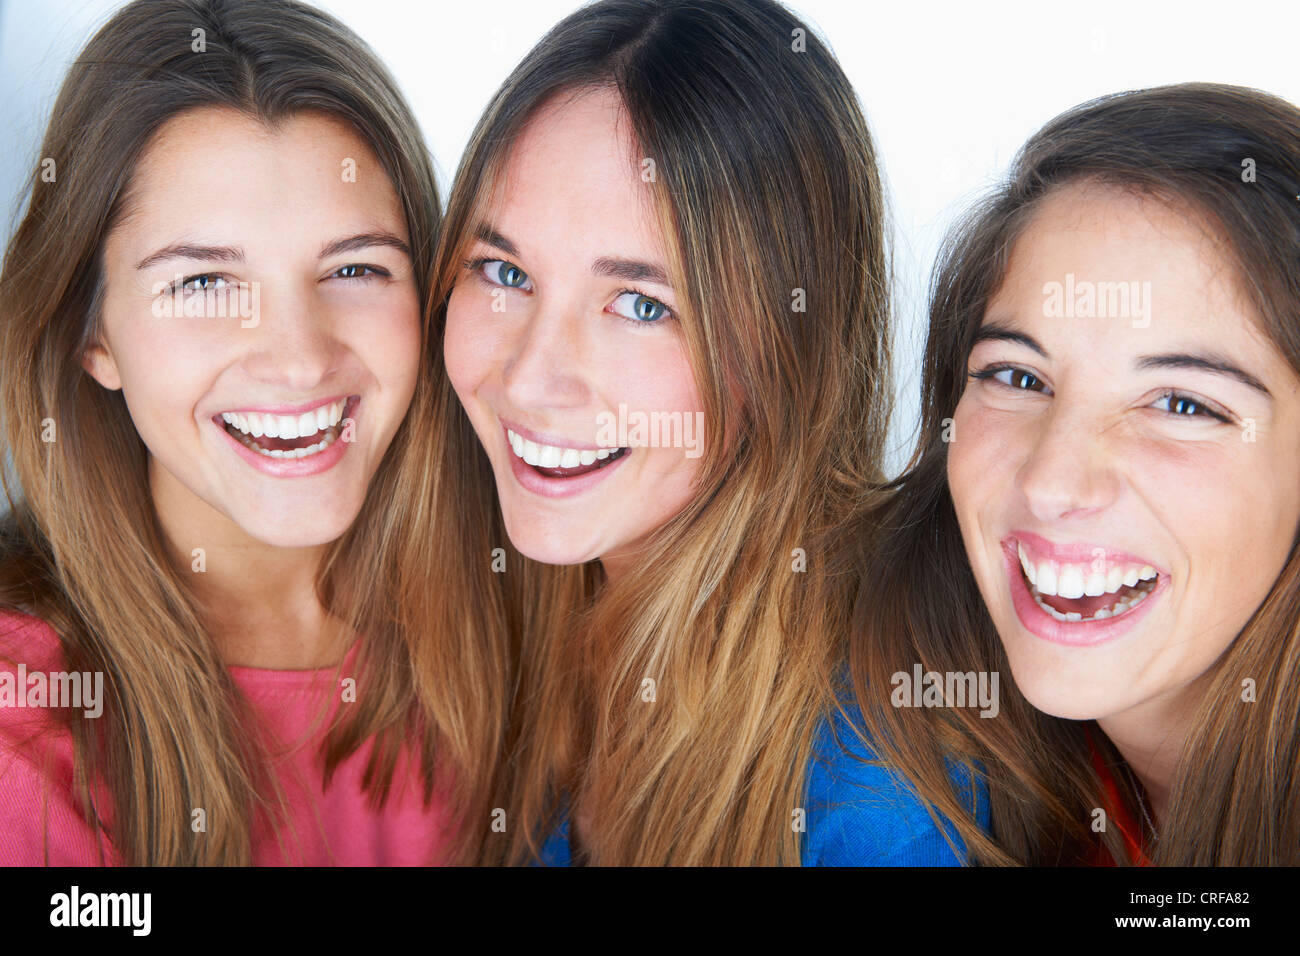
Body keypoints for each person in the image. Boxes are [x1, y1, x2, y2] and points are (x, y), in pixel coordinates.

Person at [432, 0, 987, 865]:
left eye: (641, 304)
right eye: (504, 271)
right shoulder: (521, 613)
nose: (529, 376)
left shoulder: (876, 783)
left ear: (786, 347)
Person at [0, 0, 503, 865]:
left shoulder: (512, 599)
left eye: (355, 268)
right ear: (92, 333)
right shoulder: (26, 710)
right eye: (202, 283)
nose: (299, 358)